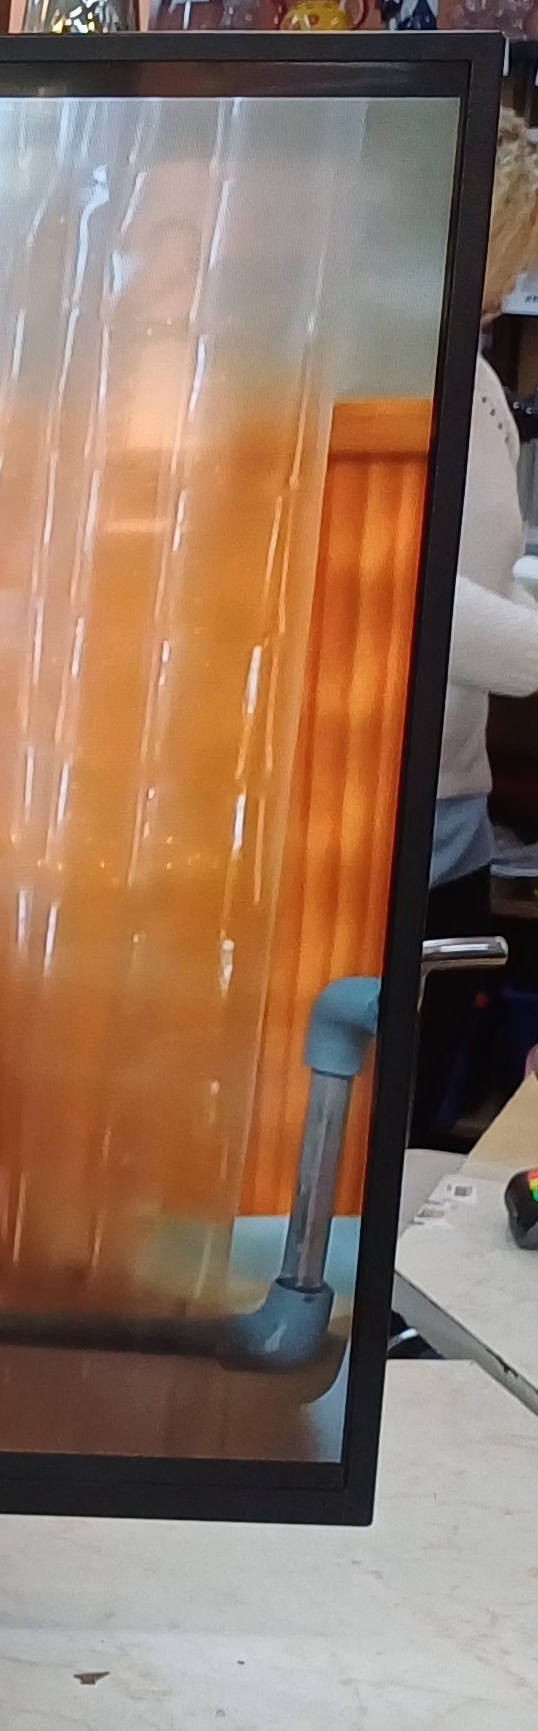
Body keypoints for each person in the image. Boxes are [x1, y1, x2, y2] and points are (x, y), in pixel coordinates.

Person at [416, 116, 538, 1150]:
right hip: (382, 814)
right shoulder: (396, 366)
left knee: (423, 1098)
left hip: (455, 806)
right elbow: (419, 602)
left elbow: (486, 564)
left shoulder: (479, 375)